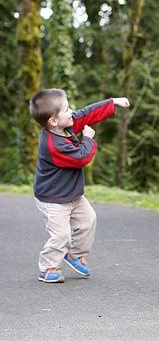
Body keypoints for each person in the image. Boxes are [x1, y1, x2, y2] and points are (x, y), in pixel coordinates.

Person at [30, 88, 130, 283]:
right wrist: (88, 140)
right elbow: (81, 157)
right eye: (66, 109)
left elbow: (86, 113)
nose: (71, 112)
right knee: (61, 235)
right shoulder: (53, 144)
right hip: (53, 199)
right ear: (53, 121)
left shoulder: (65, 125)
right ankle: (48, 267)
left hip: (72, 194)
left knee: (88, 220)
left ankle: (75, 255)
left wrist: (113, 102)